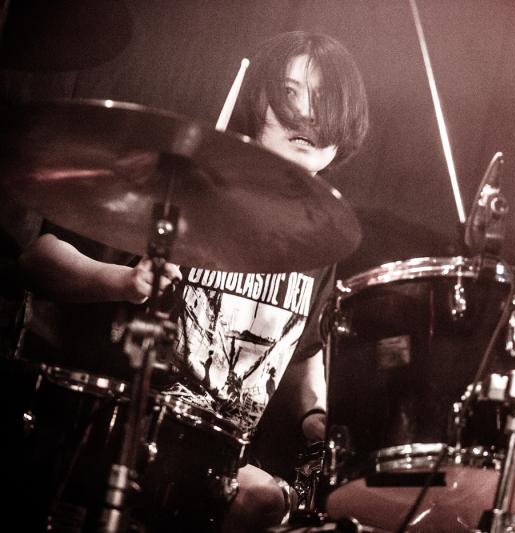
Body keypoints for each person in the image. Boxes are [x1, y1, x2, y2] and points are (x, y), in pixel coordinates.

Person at [15, 30, 369, 532]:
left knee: (278, 504)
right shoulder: (179, 184)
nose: (308, 115)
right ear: (256, 102)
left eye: (325, 99)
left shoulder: (320, 240)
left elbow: (305, 355)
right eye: (291, 92)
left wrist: (318, 418)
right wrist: (124, 280)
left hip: (215, 462)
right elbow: (37, 260)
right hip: (111, 432)